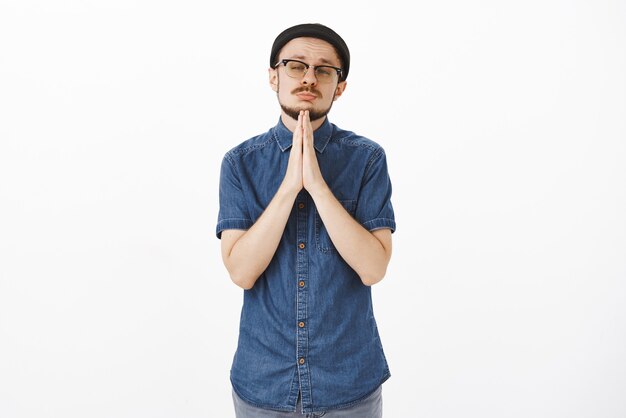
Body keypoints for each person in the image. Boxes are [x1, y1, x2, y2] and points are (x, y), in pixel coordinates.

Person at [216, 23, 396, 417]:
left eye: (324, 70)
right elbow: (241, 272)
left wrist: (316, 184)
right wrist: (288, 188)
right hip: (263, 383)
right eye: (296, 66)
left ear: (340, 86)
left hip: (349, 383)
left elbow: (373, 268)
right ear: (273, 75)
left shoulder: (367, 160)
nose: (309, 78)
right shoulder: (239, 163)